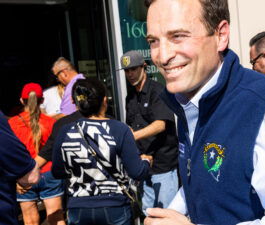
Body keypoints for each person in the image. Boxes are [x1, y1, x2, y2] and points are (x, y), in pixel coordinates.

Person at [143, 0, 265, 224]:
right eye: (153, 41)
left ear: (221, 35)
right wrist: (171, 213)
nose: (162, 56)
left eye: (178, 36)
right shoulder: (185, 102)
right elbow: (201, 181)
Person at [52, 78, 152, 225]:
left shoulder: (65, 131)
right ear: (104, 100)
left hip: (78, 208)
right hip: (115, 206)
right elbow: (137, 172)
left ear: (78, 104)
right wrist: (146, 161)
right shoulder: (119, 129)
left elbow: (57, 172)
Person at [121, 50, 179, 213]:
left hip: (163, 164)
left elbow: (161, 125)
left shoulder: (158, 90)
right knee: (148, 212)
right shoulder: (130, 97)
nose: (130, 74)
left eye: (134, 69)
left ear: (144, 66)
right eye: (127, 71)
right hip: (143, 163)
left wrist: (133, 136)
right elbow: (130, 126)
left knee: (167, 213)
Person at [8, 83, 65, 225]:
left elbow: (9, 154)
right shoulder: (52, 123)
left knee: (30, 220)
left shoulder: (12, 124)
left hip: (24, 175)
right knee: (56, 218)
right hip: (49, 172)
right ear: (42, 100)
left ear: (22, 100)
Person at [0, 110, 40, 225]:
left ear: (22, 100)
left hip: (21, 171)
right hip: (29, 171)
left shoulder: (14, 121)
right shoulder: (49, 121)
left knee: (28, 214)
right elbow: (31, 176)